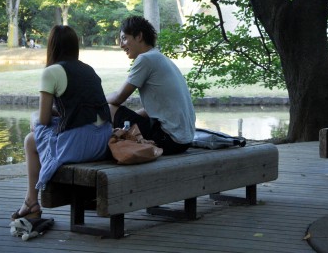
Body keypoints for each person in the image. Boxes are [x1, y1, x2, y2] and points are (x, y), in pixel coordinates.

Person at [11, 25, 112, 220]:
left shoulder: (52, 72)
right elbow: (80, 107)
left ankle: (32, 202)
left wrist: (34, 118)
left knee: (30, 139)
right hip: (104, 141)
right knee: (39, 132)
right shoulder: (88, 69)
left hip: (81, 145)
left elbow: (43, 119)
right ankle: (30, 201)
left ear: (52, 46)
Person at [106, 15, 196, 155]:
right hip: (183, 142)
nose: (121, 45)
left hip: (168, 140)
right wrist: (130, 119)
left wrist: (97, 100)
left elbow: (118, 98)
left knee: (110, 108)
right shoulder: (160, 58)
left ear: (139, 36)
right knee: (125, 116)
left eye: (124, 38)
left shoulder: (145, 59)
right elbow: (156, 108)